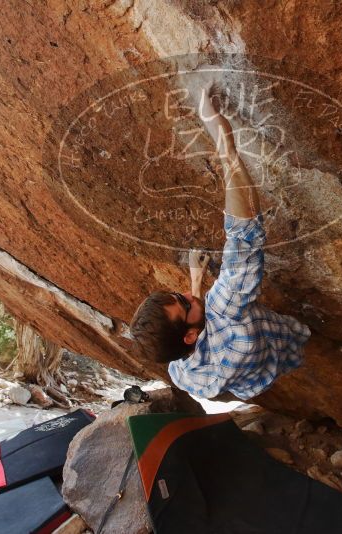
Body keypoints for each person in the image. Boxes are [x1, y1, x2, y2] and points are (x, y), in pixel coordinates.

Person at [130, 84, 311, 400]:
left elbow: (198, 327)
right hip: (285, 340)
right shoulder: (226, 312)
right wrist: (222, 141)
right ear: (188, 335)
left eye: (178, 295)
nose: (186, 294)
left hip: (262, 372)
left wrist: (196, 283)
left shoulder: (182, 372)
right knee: (299, 333)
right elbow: (245, 234)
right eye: (185, 302)